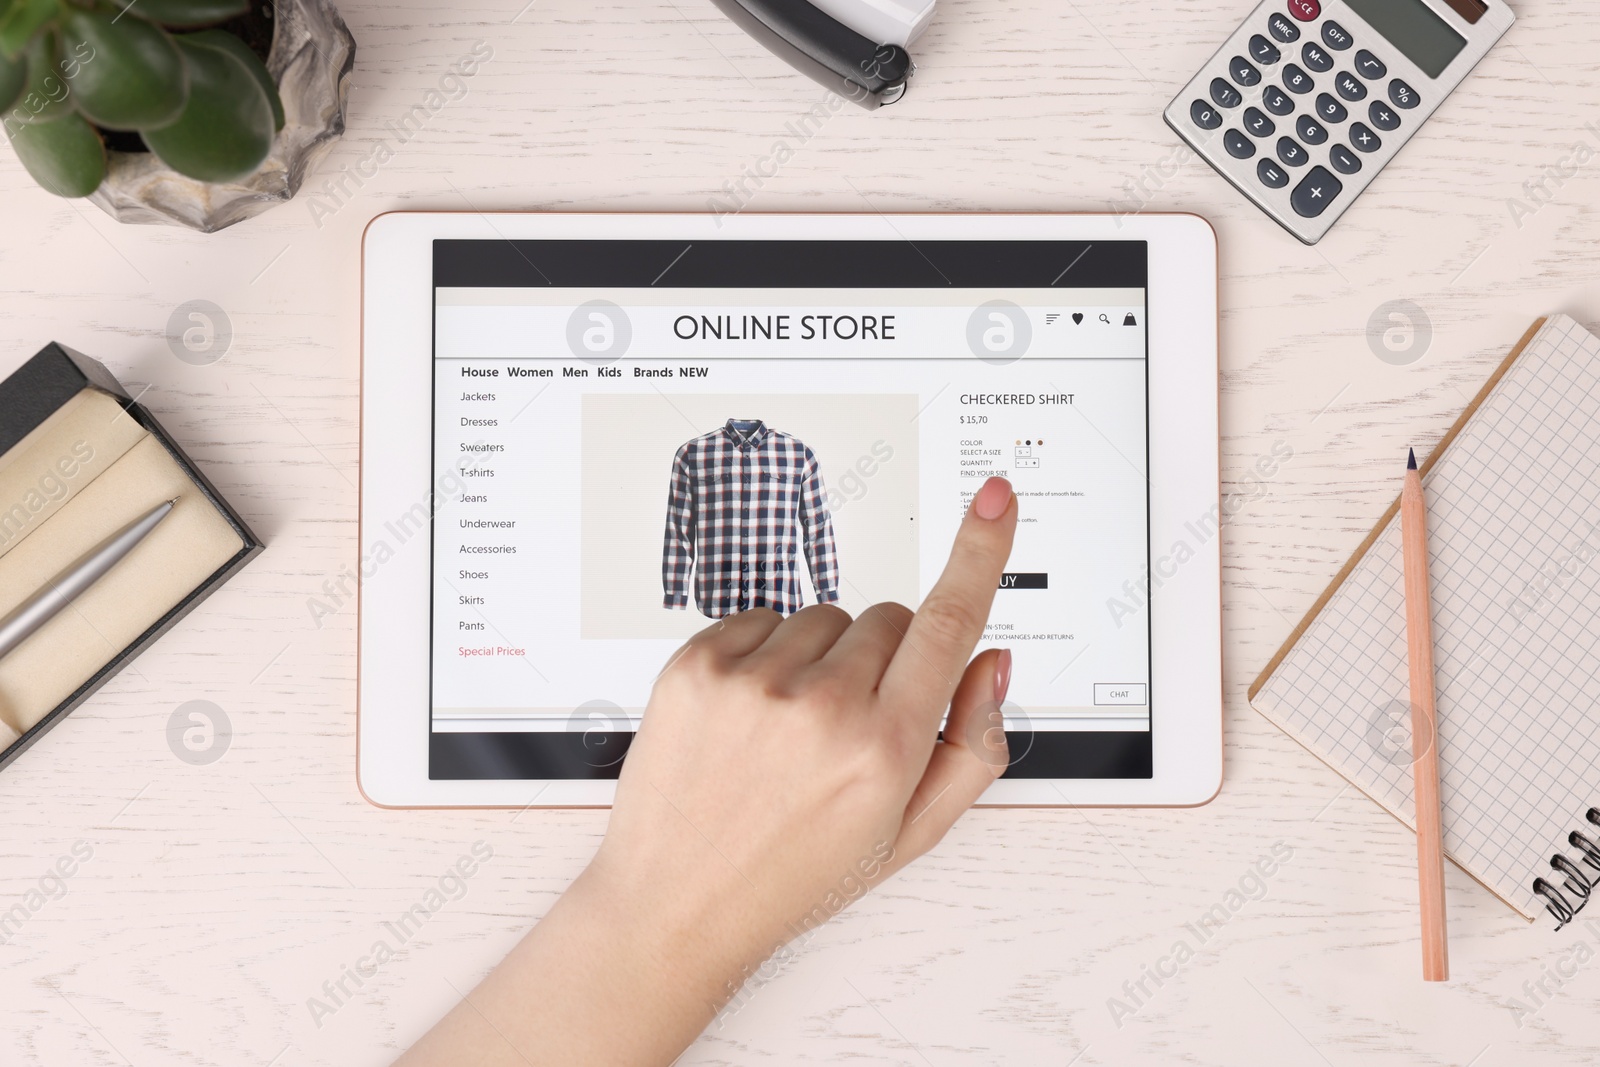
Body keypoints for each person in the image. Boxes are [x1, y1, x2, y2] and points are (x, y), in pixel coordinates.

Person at [397, 476, 1019, 1066]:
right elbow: (678, 529)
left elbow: (813, 529)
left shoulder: (791, 455)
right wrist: (667, 918)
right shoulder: (698, 457)